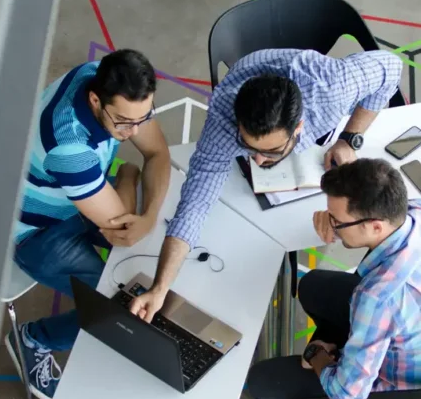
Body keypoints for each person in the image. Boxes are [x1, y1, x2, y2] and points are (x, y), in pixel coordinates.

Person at [126, 48, 403, 323]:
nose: (257, 161)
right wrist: (160, 288)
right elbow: (195, 203)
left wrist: (350, 137)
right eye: (248, 147)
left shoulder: (332, 89)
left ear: (298, 129)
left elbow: (391, 67)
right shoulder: (224, 119)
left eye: (270, 152)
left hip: (313, 82)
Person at [246, 159, 421, 399]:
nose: (332, 225)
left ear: (375, 226)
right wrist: (332, 218)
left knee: (262, 382)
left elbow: (345, 393)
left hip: (409, 395)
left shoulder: (378, 297)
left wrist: (317, 355)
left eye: (337, 221)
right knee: (313, 286)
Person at [5, 49, 171, 399]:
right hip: (36, 232)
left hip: (80, 197)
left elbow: (157, 153)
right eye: (124, 122)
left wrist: (150, 213)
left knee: (149, 254)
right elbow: (123, 232)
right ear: (96, 101)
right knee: (114, 306)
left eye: (144, 118)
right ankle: (34, 339)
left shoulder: (104, 77)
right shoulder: (69, 147)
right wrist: (128, 176)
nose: (135, 131)